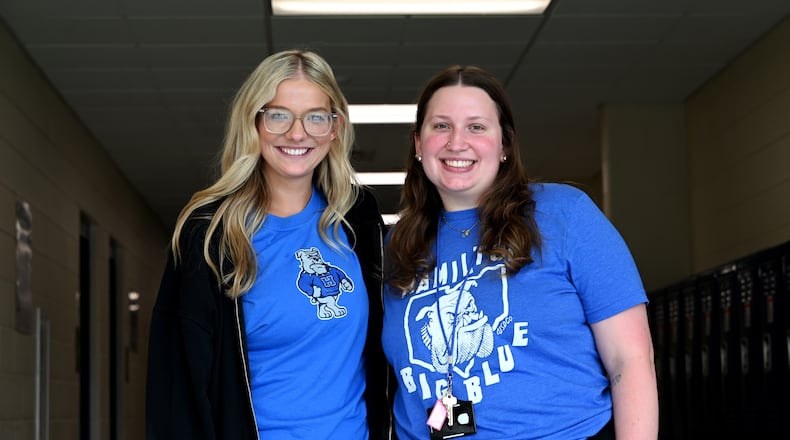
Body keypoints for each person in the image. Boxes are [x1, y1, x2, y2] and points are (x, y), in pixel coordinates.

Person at [382, 65, 659, 439]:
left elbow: (631, 360)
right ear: (419, 144)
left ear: (504, 145)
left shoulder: (564, 215)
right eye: (441, 126)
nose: (457, 142)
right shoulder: (395, 246)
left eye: (476, 127)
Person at [145, 49, 393, 440]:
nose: (297, 133)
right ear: (254, 122)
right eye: (279, 115)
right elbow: (178, 390)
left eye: (315, 117)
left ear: (335, 128)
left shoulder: (357, 218)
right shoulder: (211, 235)